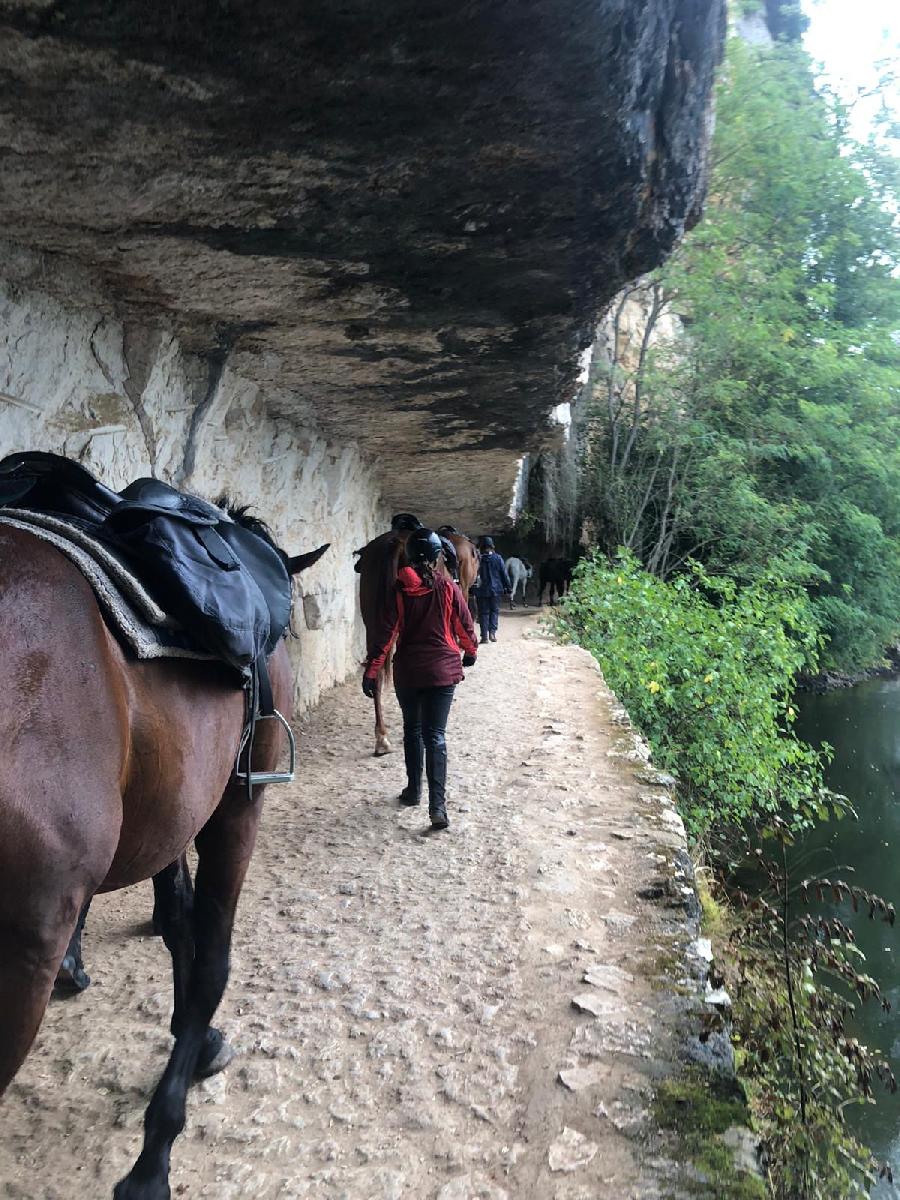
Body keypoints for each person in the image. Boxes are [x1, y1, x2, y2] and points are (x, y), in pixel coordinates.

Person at [362, 527, 478, 830]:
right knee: (436, 736)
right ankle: (437, 807)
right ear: (437, 555)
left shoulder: (399, 591)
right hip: (442, 672)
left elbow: (386, 635)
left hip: (409, 673)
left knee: (412, 730)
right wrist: (471, 650)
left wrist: (372, 671)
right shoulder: (448, 587)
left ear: (410, 557)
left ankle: (413, 792)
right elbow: (464, 624)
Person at [473, 536, 510, 643]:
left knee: (483, 613)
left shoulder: (477, 559)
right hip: (496, 590)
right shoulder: (498, 558)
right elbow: (504, 574)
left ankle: (484, 636)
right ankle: (492, 634)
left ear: (481, 547)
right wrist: (508, 588)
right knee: (494, 611)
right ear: (492, 546)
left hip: (481, 590)